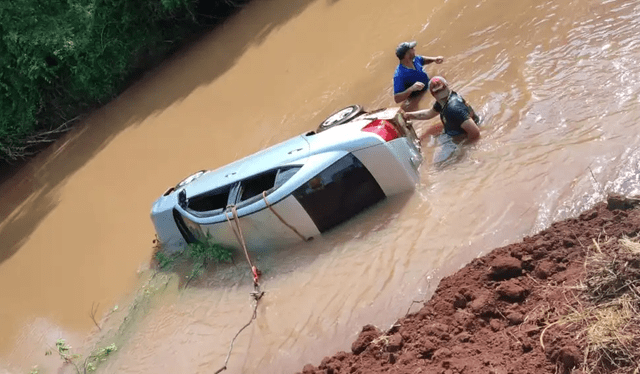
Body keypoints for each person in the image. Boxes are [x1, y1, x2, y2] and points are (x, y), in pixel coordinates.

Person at [405, 76, 481, 145]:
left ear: (432, 94)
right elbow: (429, 113)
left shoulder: (453, 108)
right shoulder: (443, 100)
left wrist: (464, 147)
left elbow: (475, 132)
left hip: (461, 135)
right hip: (457, 129)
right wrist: (408, 115)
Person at [393, 41, 444, 112]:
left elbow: (422, 60)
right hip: (418, 97)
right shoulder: (399, 75)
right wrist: (411, 88)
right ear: (407, 55)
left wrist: (435, 59)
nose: (414, 49)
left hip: (428, 88)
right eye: (412, 49)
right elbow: (397, 99)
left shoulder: (414, 59)